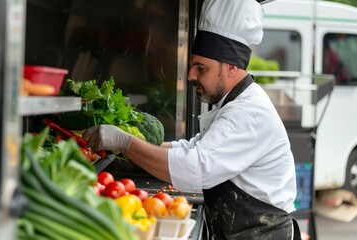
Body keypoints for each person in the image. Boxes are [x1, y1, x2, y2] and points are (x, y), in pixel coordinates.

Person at [83, 0, 301, 239]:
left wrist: (127, 143)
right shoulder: (232, 104)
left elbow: (194, 168)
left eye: (201, 68)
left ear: (230, 67)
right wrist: (128, 143)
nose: (190, 76)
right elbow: (191, 148)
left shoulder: (247, 113)